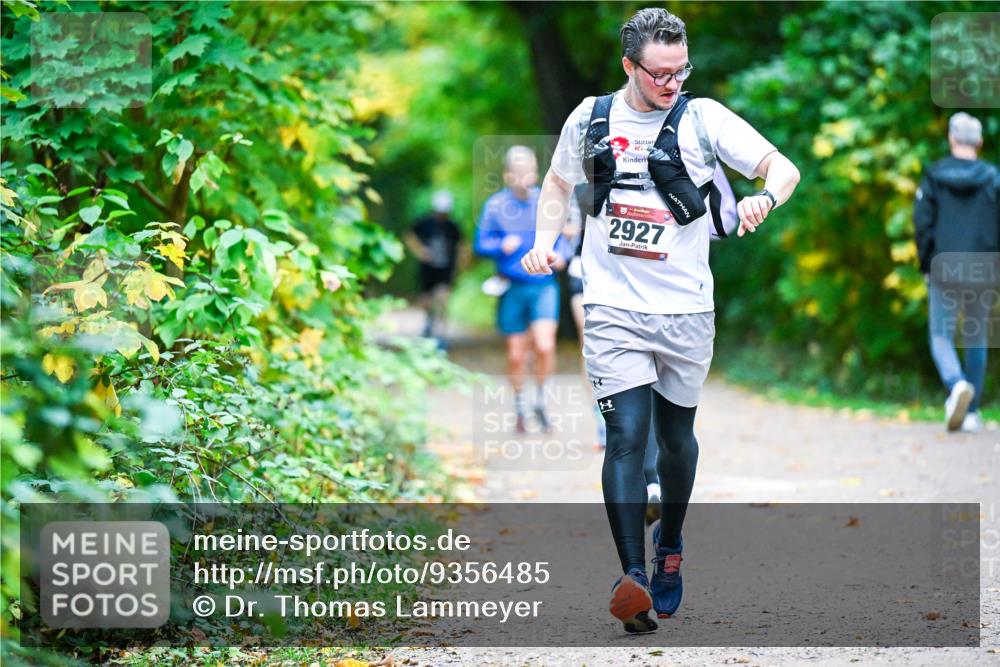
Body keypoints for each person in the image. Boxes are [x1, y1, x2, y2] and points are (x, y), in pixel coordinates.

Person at [521, 8, 800, 633]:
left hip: (685, 311)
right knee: (625, 437)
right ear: (630, 66)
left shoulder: (704, 119)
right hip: (611, 306)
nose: (672, 83)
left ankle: (668, 544)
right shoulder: (590, 117)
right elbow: (557, 185)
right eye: (659, 74)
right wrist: (544, 242)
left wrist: (762, 198)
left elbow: (783, 168)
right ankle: (632, 577)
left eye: (681, 71)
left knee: (675, 441)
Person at [475, 146, 573, 433]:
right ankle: (520, 407)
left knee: (545, 345)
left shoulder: (545, 201)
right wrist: (500, 246)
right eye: (519, 173)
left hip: (543, 286)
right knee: (516, 354)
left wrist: (562, 255)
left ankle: (541, 402)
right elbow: (480, 244)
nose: (526, 177)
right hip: (512, 286)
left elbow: (563, 236)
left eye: (530, 171)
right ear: (508, 176)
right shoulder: (495, 205)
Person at [914, 112, 1000, 433]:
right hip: (984, 268)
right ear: (979, 142)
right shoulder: (994, 178)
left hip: (944, 267)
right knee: (976, 336)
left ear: (951, 138)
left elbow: (922, 224)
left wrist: (926, 264)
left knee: (941, 334)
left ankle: (956, 384)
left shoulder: (934, 176)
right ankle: (972, 413)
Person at [405, 190, 463, 342]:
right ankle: (429, 323)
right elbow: (409, 235)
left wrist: (460, 263)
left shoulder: (452, 226)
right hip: (428, 268)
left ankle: (442, 331)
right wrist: (420, 251)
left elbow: (462, 245)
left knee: (443, 298)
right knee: (426, 299)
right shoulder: (425, 223)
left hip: (446, 268)